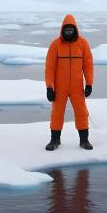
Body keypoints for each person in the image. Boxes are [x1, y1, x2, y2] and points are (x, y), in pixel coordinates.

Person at [44, 14, 94, 150]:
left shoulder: (83, 44)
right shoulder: (55, 45)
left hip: (77, 87)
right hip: (60, 87)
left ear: (75, 30)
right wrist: (49, 87)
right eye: (66, 30)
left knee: (82, 112)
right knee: (57, 113)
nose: (69, 33)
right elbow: (49, 68)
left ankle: (84, 140)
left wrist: (89, 83)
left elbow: (88, 65)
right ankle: (55, 140)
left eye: (71, 30)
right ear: (62, 30)